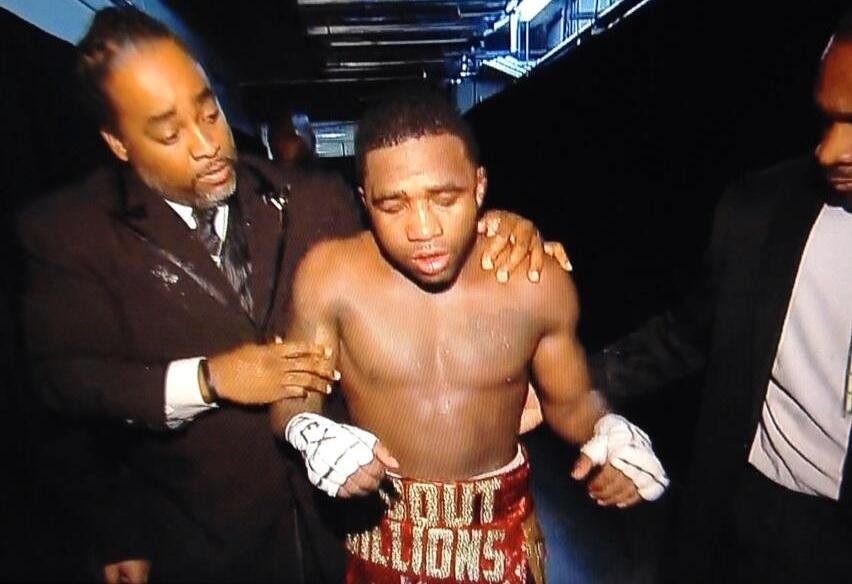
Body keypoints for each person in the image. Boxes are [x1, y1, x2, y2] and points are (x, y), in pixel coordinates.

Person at [16, 8, 565, 583]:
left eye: (209, 112)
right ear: (118, 142)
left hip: (357, 526)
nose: (206, 145)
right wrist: (209, 380)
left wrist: (493, 234)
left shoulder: (314, 200)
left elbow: (415, 251)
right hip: (205, 543)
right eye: (170, 133)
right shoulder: (68, 236)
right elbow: (66, 384)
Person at [269, 91, 669, 584]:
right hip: (381, 534)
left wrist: (610, 429)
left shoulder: (532, 279)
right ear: (364, 200)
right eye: (393, 205)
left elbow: (571, 401)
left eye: (444, 198)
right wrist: (308, 430)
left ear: (479, 187)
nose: (422, 229)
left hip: (501, 537)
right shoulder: (329, 276)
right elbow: (294, 392)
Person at [587, 9, 852, 581]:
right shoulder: (760, 208)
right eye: (827, 120)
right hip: (744, 517)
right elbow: (686, 335)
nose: (831, 151)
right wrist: (566, 381)